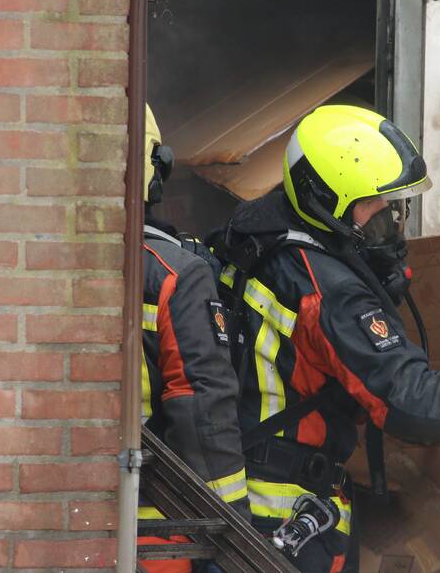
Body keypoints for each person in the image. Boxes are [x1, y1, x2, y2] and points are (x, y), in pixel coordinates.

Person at [213, 105, 440, 573]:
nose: (390, 218)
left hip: (243, 492)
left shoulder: (255, 233)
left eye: (394, 205)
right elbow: (410, 403)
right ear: (326, 200)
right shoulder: (329, 291)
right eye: (374, 205)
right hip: (283, 521)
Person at [138, 106, 250, 573]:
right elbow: (202, 408)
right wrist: (230, 537)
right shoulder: (174, 274)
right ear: (155, 166)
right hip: (155, 529)